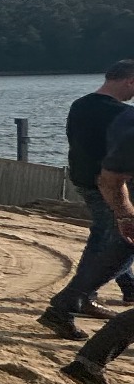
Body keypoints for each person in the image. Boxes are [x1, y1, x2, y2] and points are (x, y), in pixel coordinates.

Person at [39, 60, 134, 340]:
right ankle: (66, 305)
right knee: (122, 245)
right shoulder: (119, 114)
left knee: (102, 240)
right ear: (129, 81)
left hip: (83, 180)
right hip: (108, 187)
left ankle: (87, 298)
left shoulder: (80, 105)